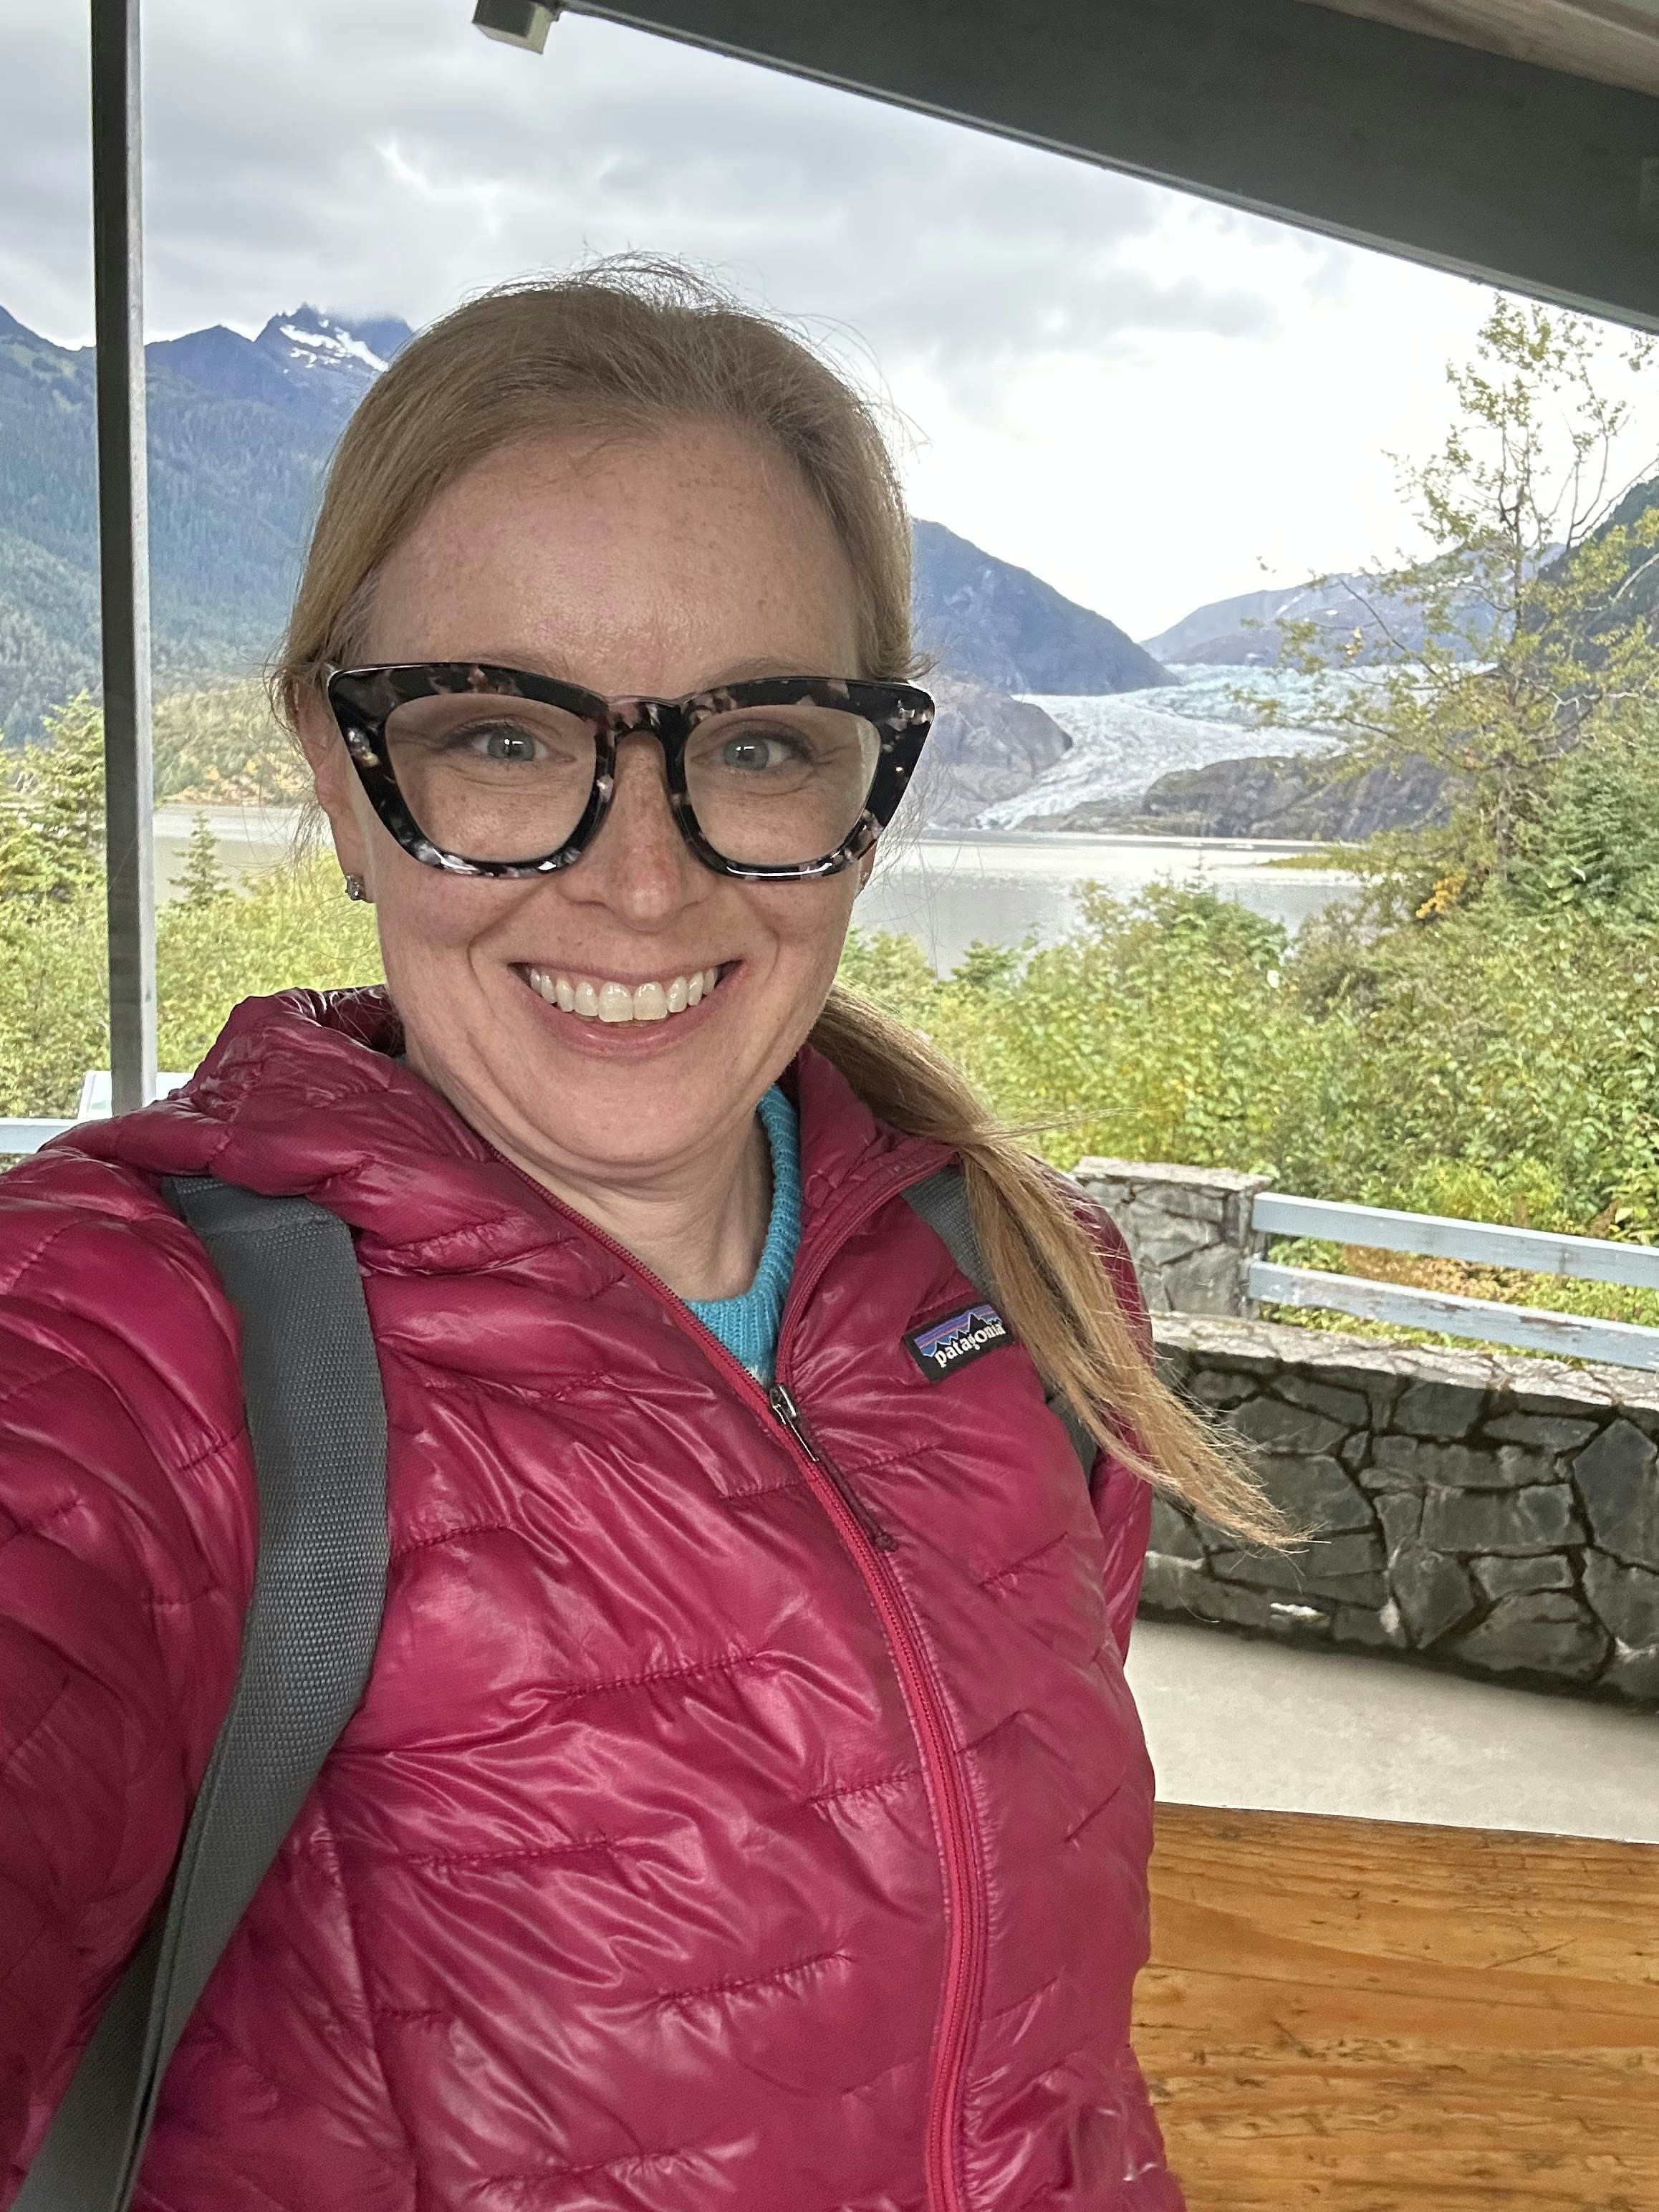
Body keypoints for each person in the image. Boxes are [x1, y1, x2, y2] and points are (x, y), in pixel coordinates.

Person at [0, 259, 1284, 2212]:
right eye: (503, 737)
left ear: (865, 793)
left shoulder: (1022, 1297)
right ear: (342, 777)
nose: (643, 878)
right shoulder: (133, 1334)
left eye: (759, 744)